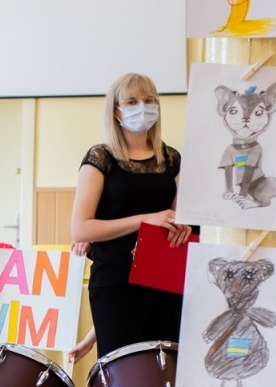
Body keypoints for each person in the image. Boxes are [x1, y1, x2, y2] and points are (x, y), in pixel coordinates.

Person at [69, 73, 191, 360]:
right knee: (124, 381)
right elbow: (81, 230)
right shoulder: (100, 157)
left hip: (165, 283)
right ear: (115, 111)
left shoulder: (172, 159)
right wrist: (147, 220)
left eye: (149, 100)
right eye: (133, 101)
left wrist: (181, 225)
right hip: (115, 283)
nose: (143, 107)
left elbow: (181, 220)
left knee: (163, 379)